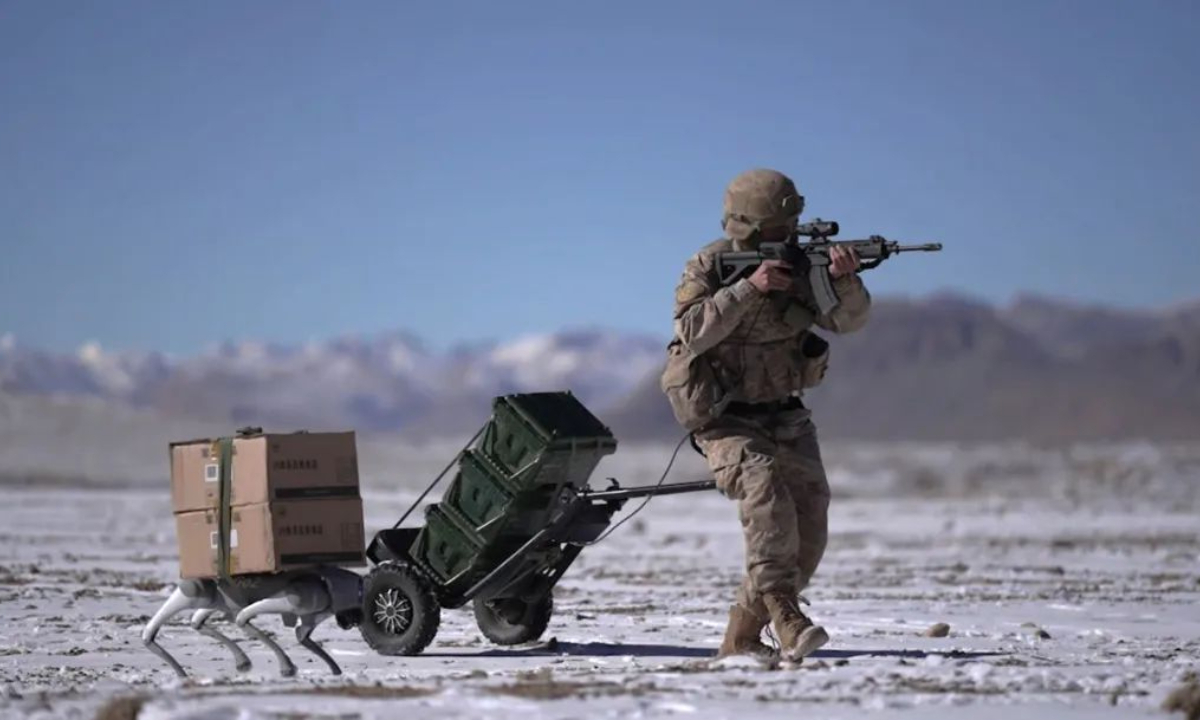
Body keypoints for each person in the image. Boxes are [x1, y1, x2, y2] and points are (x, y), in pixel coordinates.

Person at [661, 168, 871, 661]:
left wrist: (845, 281)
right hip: (724, 417)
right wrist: (748, 288)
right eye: (779, 229)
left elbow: (848, 322)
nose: (790, 236)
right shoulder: (710, 265)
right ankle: (785, 614)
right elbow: (691, 330)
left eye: (792, 226)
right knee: (765, 495)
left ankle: (741, 640)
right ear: (748, 229)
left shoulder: (802, 264)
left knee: (809, 524)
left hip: (786, 412)